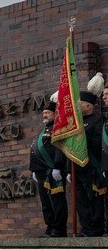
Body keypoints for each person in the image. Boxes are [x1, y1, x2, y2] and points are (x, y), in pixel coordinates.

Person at [29, 101, 68, 238]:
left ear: (55, 114)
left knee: (56, 201)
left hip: (52, 170)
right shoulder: (43, 130)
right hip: (41, 172)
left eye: (48, 113)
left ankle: (59, 229)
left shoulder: (58, 128)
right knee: (46, 203)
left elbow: (60, 148)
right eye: (44, 113)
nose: (45, 115)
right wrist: (33, 169)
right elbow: (34, 150)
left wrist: (57, 166)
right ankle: (50, 228)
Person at [75, 91, 104, 236]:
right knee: (81, 201)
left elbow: (99, 144)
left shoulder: (98, 121)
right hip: (78, 168)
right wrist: (69, 170)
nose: (76, 107)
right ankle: (85, 228)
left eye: (79, 104)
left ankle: (96, 229)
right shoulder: (77, 124)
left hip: (91, 167)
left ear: (88, 106)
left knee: (94, 199)